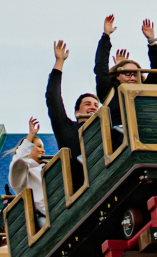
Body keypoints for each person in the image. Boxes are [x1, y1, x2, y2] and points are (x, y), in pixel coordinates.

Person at [46, 40, 99, 181]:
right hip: (76, 185)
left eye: (96, 105)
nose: (93, 107)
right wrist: (59, 62)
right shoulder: (67, 128)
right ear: (76, 112)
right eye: (87, 104)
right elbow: (53, 98)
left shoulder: (105, 129)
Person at [9, 117, 48, 226]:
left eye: (43, 147)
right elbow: (19, 161)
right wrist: (31, 135)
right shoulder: (21, 173)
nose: (43, 150)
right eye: (39, 146)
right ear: (28, 148)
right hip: (42, 217)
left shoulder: (45, 167)